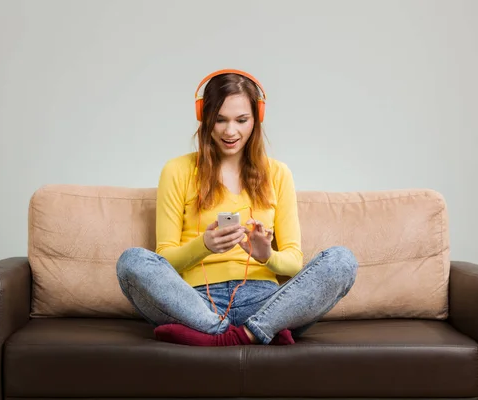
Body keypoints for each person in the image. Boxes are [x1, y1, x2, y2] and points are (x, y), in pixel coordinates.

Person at [116, 69, 358, 346]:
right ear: (204, 118)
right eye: (220, 120)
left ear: (257, 119)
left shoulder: (278, 174)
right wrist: (204, 245)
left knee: (342, 260)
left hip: (266, 302)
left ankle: (229, 336)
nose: (230, 131)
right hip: (197, 302)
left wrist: (267, 255)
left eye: (241, 120)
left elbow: (293, 263)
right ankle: (247, 333)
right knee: (131, 261)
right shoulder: (177, 170)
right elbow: (164, 260)